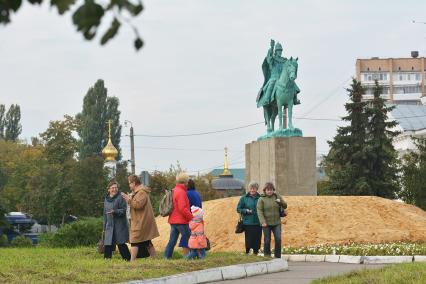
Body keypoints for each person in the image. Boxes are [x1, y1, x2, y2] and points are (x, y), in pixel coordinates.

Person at [121, 174, 160, 261]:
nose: (129, 185)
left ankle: (132, 262)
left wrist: (128, 199)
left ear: (134, 183)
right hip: (140, 221)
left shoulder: (141, 192)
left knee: (134, 240)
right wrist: (130, 198)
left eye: (130, 183)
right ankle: (156, 259)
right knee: (147, 242)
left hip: (141, 221)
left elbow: (138, 205)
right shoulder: (138, 192)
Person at [164, 172, 193, 259]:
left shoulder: (174, 190)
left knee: (172, 241)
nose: (188, 183)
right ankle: (193, 256)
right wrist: (191, 217)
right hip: (181, 221)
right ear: (185, 182)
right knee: (190, 239)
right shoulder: (181, 192)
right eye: (187, 181)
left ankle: (167, 257)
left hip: (173, 220)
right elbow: (182, 208)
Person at [256, 182, 287, 258]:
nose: (269, 191)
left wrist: (281, 202)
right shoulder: (261, 199)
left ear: (273, 190)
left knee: (278, 239)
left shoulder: (277, 196)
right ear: (265, 190)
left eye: (271, 190)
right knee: (267, 240)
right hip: (266, 224)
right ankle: (267, 256)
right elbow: (259, 211)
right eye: (268, 190)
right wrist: (262, 222)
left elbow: (285, 206)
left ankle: (278, 257)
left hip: (276, 223)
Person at [103, 180, 131, 261]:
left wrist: (114, 211)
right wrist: (104, 228)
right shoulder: (106, 198)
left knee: (120, 243)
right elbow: (104, 214)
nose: (114, 189)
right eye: (112, 188)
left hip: (119, 224)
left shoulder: (120, 197)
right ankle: (107, 260)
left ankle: (128, 259)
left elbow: (124, 210)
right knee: (108, 243)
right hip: (109, 224)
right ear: (108, 189)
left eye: (116, 188)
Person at [236, 181, 262, 255]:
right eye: (251, 188)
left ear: (257, 189)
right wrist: (245, 210)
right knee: (249, 239)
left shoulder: (260, 198)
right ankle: (247, 252)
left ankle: (255, 253)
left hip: (258, 222)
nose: (252, 190)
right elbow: (238, 209)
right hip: (248, 222)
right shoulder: (244, 198)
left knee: (257, 238)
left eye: (254, 188)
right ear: (249, 189)